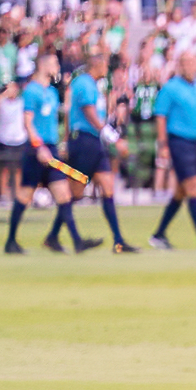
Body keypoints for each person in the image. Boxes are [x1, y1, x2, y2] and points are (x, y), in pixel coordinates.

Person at [4, 53, 102, 255]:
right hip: (37, 150)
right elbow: (28, 122)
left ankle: (76, 241)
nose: (57, 66)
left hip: (52, 149)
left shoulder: (51, 91)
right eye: (55, 63)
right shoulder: (31, 90)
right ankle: (11, 241)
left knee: (64, 194)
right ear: (43, 65)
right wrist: (38, 146)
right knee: (25, 195)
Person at [148, 51, 196, 251]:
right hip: (179, 141)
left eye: (192, 62)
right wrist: (163, 145)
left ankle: (159, 234)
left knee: (181, 192)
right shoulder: (171, 88)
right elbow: (160, 116)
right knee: (193, 187)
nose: (188, 66)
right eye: (185, 62)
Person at [67, 52, 139, 253]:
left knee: (108, 188)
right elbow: (90, 115)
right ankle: (57, 235)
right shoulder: (84, 83)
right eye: (104, 65)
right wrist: (113, 137)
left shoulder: (93, 85)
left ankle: (119, 241)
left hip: (94, 141)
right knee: (75, 192)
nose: (106, 69)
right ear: (96, 65)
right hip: (84, 140)